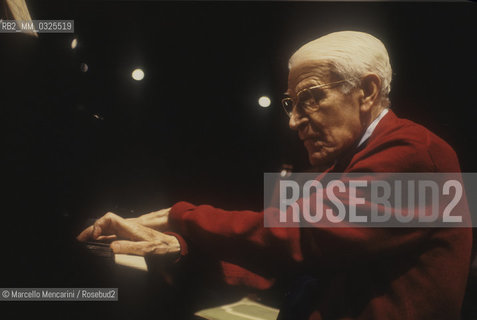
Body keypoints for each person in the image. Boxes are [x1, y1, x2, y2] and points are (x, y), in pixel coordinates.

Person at [78, 31, 472, 320]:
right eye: (291, 103)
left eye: (310, 98)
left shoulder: (420, 152)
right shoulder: (339, 168)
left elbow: (297, 238)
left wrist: (180, 215)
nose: (294, 121)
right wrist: (177, 248)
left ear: (367, 92)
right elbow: (277, 256)